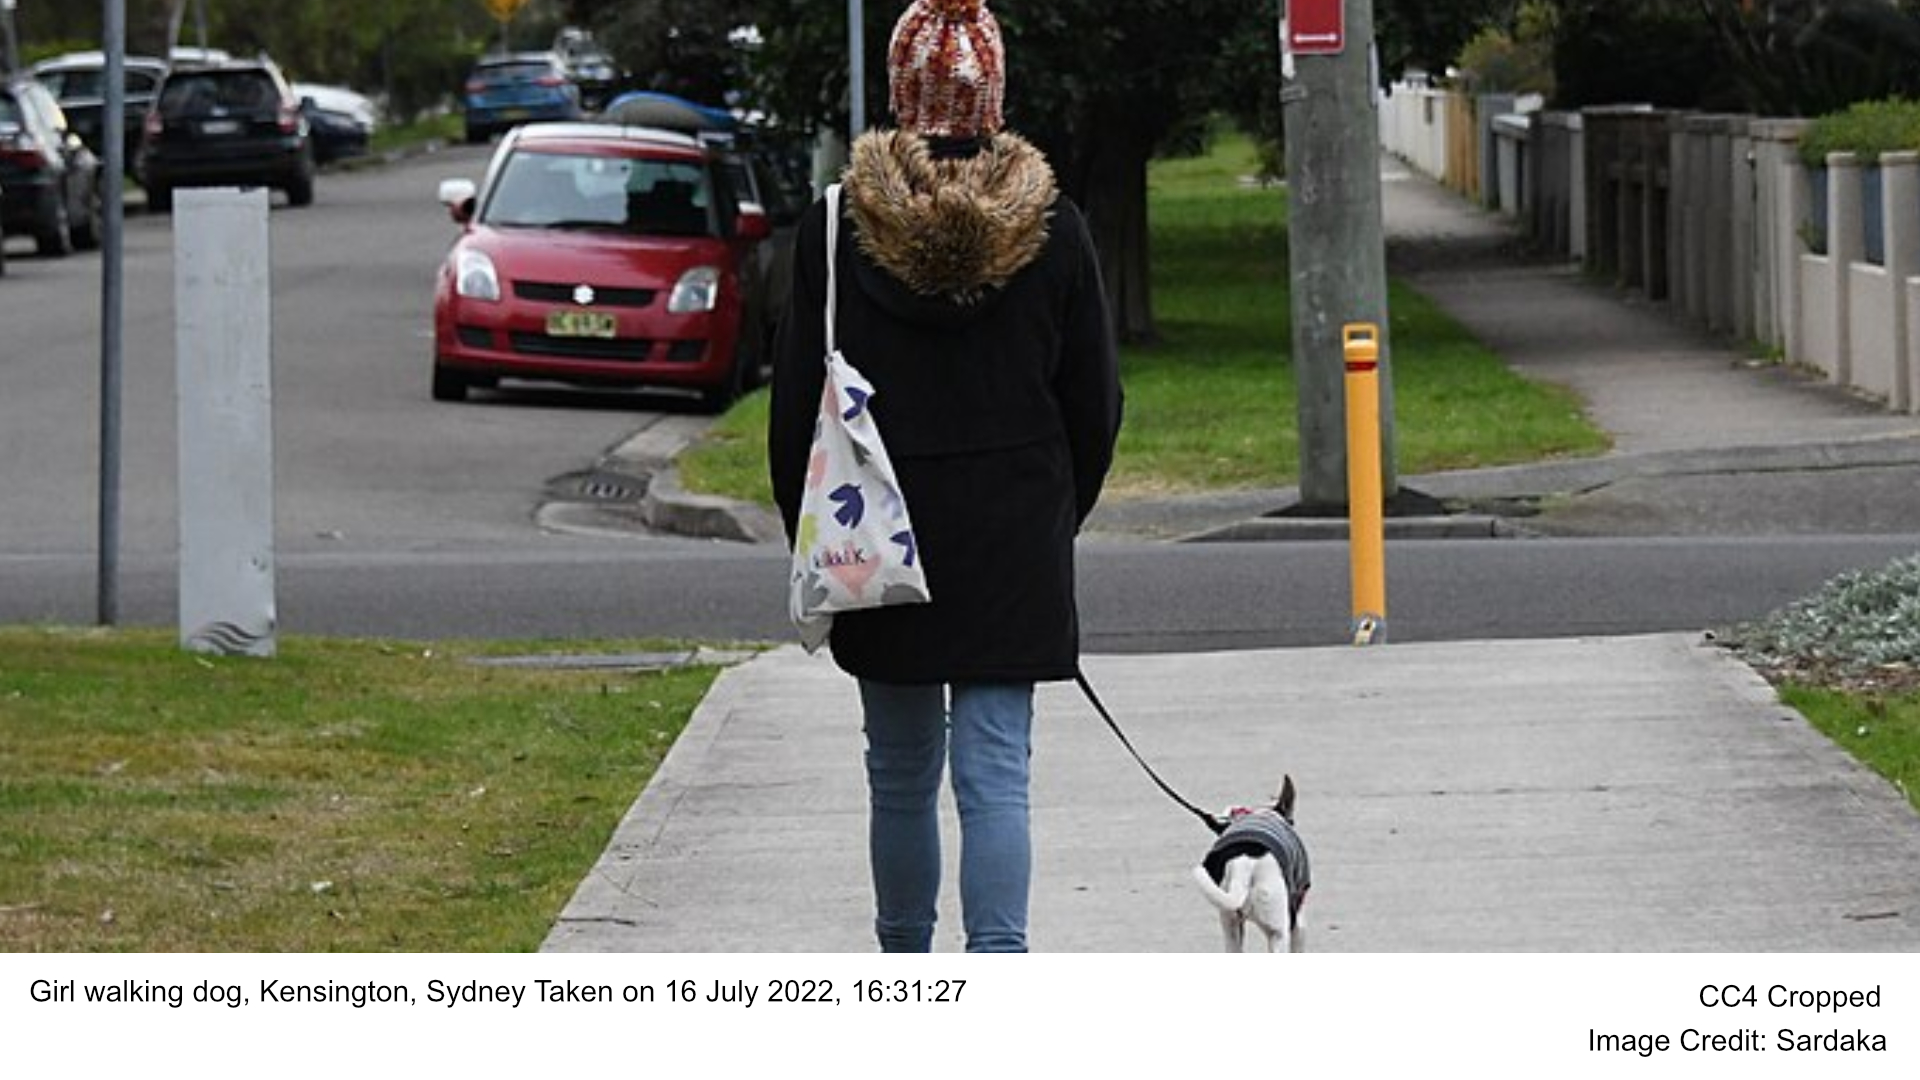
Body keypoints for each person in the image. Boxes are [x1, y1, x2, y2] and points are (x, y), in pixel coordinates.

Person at [768, 0, 1123, 953]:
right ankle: (996, 976)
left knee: (898, 770)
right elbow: (1095, 408)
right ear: (995, 97)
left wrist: (819, 534)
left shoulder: (836, 229)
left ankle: (907, 974)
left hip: (879, 542)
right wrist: (1053, 516)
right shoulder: (1056, 232)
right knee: (997, 772)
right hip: (1014, 540)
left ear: (898, 95)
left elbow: (795, 408)